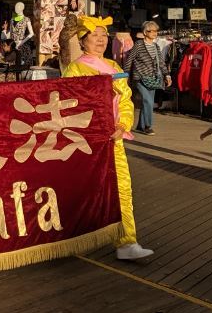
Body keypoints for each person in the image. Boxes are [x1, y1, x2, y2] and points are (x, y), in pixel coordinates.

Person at [61, 15, 154, 261]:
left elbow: (125, 99)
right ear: (83, 41)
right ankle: (70, 238)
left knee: (122, 187)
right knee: (82, 189)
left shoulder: (114, 66)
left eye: (104, 35)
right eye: (95, 36)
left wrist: (123, 124)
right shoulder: (75, 69)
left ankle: (127, 241)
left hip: (114, 138)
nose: (101, 40)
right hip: (88, 141)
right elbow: (71, 106)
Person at [124, 21, 169, 136]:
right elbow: (130, 59)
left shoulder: (156, 46)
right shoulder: (139, 45)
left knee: (147, 103)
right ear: (145, 32)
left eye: (156, 31)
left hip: (152, 78)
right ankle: (148, 126)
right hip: (139, 77)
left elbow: (162, 63)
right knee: (147, 101)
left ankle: (140, 126)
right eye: (151, 31)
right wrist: (125, 75)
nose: (154, 33)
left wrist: (167, 75)